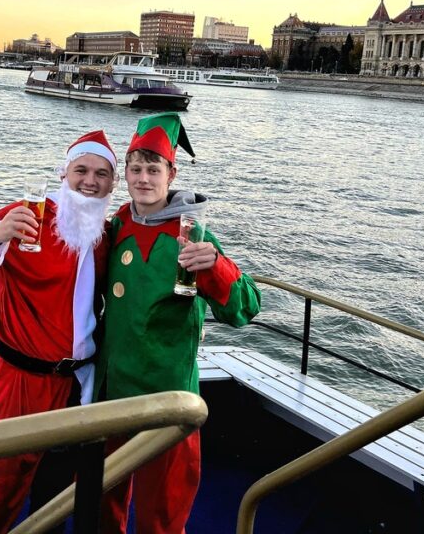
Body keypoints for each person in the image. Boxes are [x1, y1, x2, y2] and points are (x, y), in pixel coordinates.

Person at [0, 130, 118, 534]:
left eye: (102, 174)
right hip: (17, 381)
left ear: (113, 184)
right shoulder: (23, 215)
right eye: (82, 170)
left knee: (56, 499)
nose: (91, 181)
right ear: (63, 173)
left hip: (76, 385)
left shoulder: (106, 234)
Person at [97, 113, 262, 534]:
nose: (143, 179)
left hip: (167, 402)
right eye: (135, 169)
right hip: (110, 394)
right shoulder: (115, 226)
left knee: (162, 520)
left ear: (172, 173)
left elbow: (244, 309)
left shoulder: (192, 234)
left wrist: (217, 267)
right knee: (101, 508)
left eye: (154, 169)